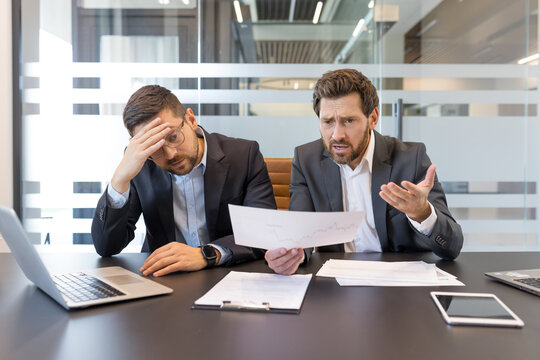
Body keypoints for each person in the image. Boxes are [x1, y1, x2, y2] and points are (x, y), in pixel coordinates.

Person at [265, 69, 463, 275]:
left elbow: (452, 247)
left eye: (348, 121)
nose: (337, 135)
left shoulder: (410, 159)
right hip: (335, 284)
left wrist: (422, 213)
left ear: (373, 118)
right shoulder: (307, 159)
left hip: (399, 285)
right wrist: (290, 255)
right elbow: (301, 234)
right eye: (328, 122)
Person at [92, 85, 276, 276]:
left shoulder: (244, 156)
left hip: (228, 275)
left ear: (190, 119)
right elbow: (106, 247)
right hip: (164, 280)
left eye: (173, 136)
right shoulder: (141, 163)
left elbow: (263, 233)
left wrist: (206, 254)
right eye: (155, 147)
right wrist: (120, 180)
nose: (171, 154)